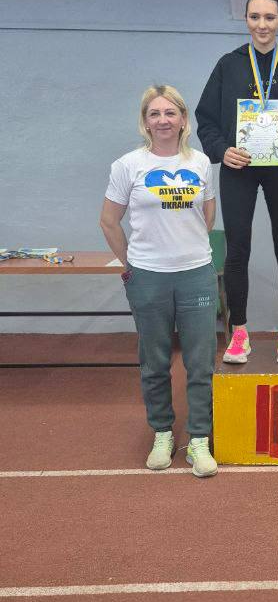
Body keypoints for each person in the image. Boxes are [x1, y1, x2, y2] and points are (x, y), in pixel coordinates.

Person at [195, 0, 278, 366]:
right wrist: (222, 151)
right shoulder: (228, 65)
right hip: (239, 168)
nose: (262, 25)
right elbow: (206, 120)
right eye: (255, 17)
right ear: (246, 20)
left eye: (270, 17)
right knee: (238, 249)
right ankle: (239, 333)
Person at [100, 85, 219, 477]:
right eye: (155, 113)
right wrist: (131, 264)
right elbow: (109, 221)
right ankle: (163, 433)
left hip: (196, 274)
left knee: (200, 363)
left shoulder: (200, 162)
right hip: (148, 277)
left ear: (183, 119)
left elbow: (207, 215)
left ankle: (198, 439)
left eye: (170, 113)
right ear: (145, 122)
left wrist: (187, 248)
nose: (163, 120)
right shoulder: (127, 165)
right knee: (154, 362)